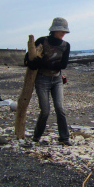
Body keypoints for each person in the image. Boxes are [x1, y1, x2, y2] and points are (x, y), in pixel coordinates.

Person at [24, 17, 72, 146]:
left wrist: (42, 63)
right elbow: (28, 59)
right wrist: (34, 63)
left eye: (65, 31)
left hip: (57, 80)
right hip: (42, 80)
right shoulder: (42, 41)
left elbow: (62, 65)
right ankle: (36, 137)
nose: (63, 33)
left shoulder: (65, 46)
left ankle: (64, 138)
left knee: (60, 108)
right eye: (61, 30)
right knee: (45, 111)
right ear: (54, 30)